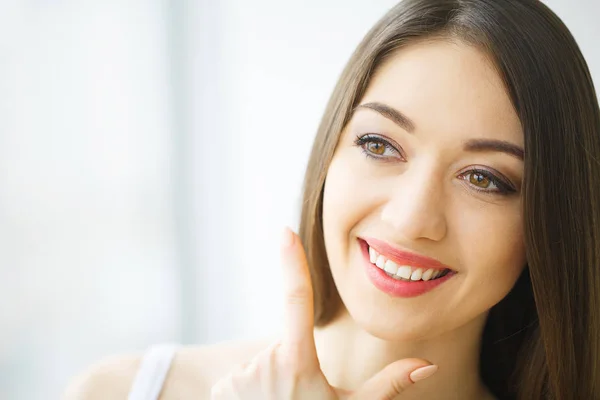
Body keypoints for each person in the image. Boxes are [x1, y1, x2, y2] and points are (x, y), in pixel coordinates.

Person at [63, 0, 600, 399]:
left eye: (483, 178)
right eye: (379, 144)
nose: (412, 218)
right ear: (330, 153)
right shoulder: (121, 389)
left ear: (550, 222)